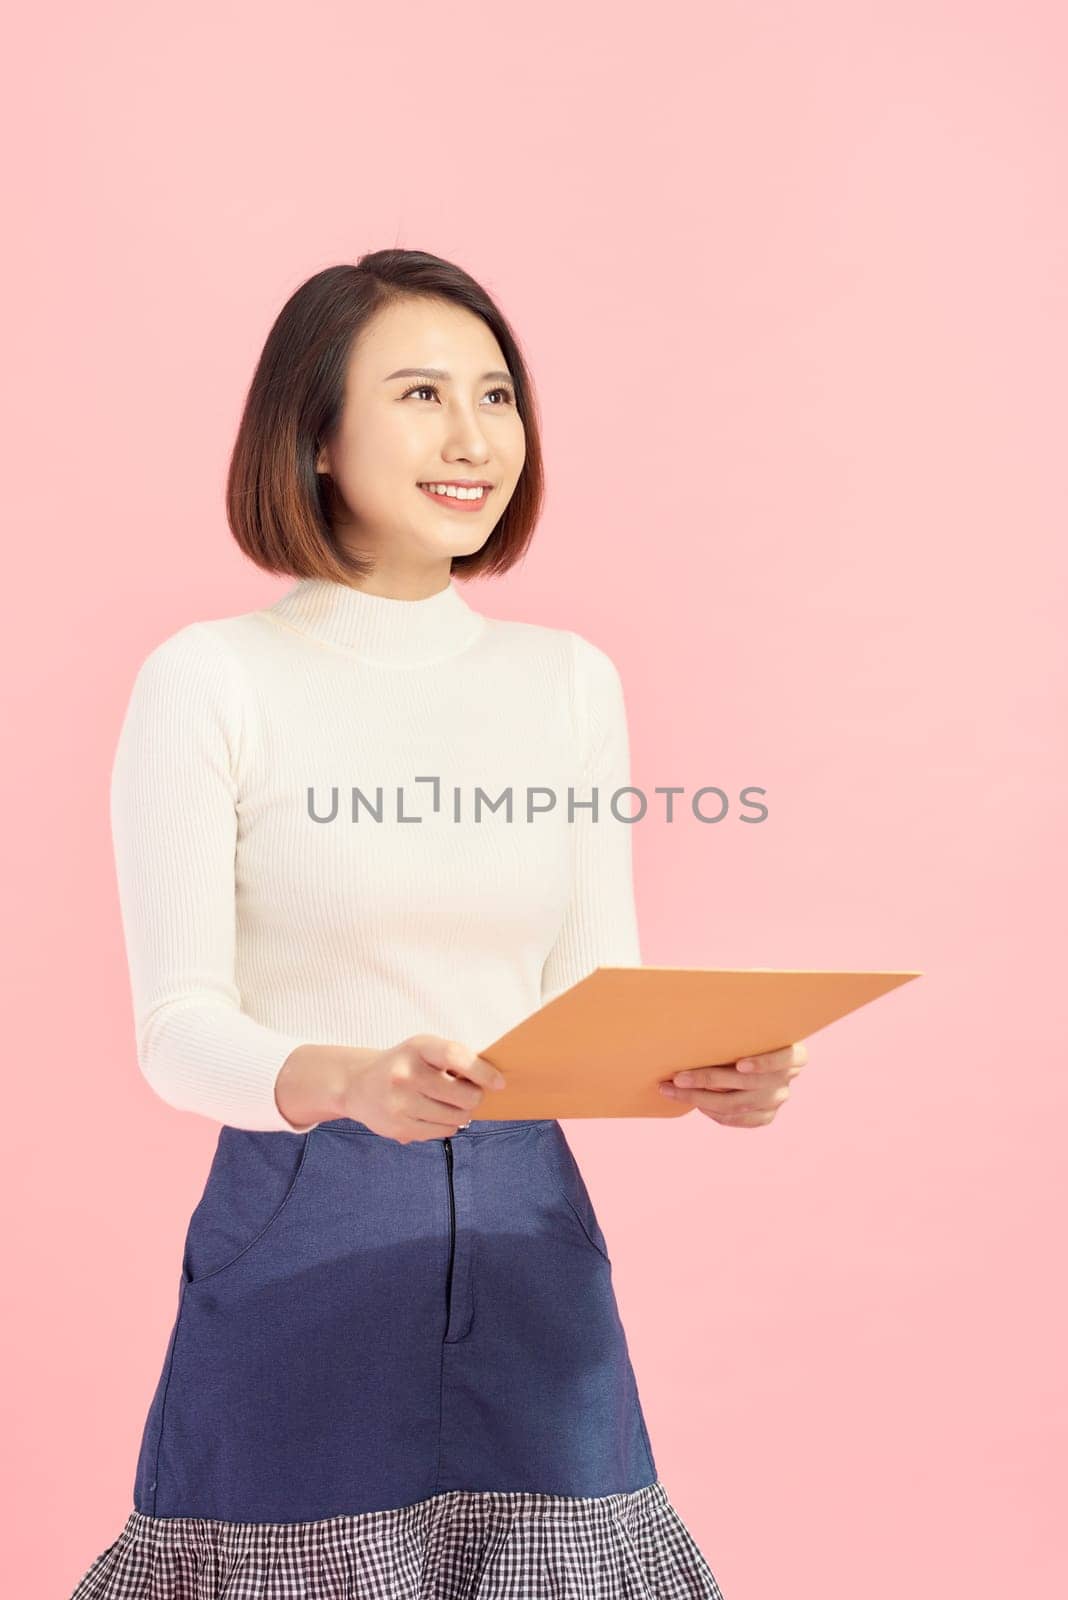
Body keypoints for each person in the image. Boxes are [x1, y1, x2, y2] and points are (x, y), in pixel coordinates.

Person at [69, 249, 728, 1598]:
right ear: (314, 435)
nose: (473, 437)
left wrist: (704, 1072)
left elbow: (591, 991)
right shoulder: (212, 682)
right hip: (304, 1230)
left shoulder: (567, 683)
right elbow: (176, 1029)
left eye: (496, 394)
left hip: (534, 1243)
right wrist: (350, 1082)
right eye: (421, 394)